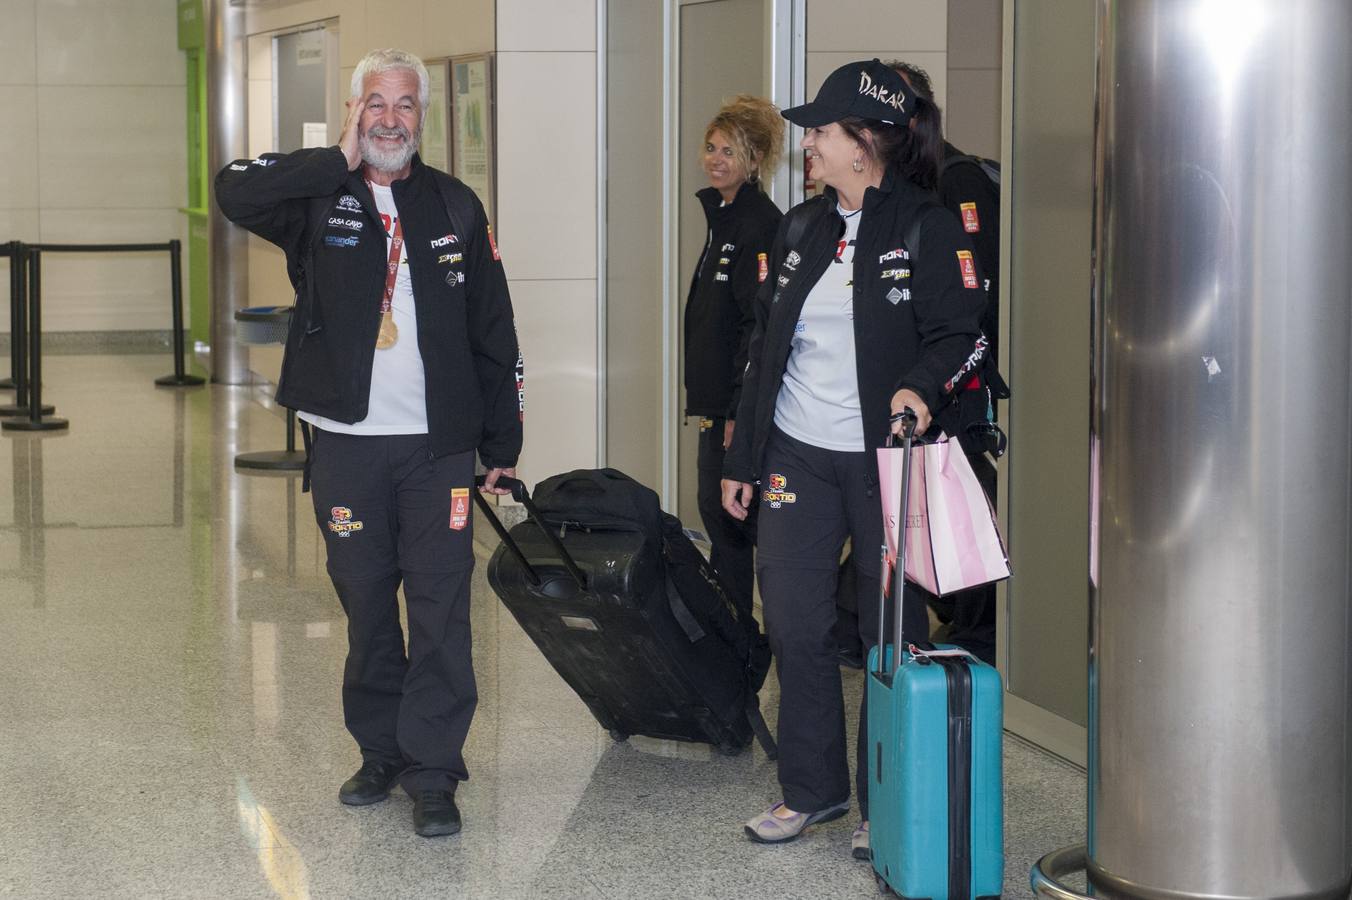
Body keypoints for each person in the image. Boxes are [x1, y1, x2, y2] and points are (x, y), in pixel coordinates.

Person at [215, 48, 523, 838]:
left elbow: (495, 329)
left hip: (437, 449)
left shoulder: (456, 205)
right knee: (365, 604)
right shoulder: (321, 196)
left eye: (406, 105)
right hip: (348, 443)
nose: (392, 119)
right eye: (376, 105)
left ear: (425, 117)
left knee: (441, 607)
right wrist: (336, 156)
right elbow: (233, 189)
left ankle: (433, 770)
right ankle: (380, 750)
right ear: (356, 112)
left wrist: (502, 443)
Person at [721, 60, 985, 857]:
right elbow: (764, 349)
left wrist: (918, 389)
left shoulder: (926, 228)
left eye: (823, 132)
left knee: (884, 637)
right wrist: (742, 453)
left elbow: (964, 333)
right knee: (796, 626)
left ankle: (883, 797)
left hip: (885, 460)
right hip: (797, 454)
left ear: (865, 143)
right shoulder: (801, 228)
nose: (809, 143)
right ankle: (812, 789)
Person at [684, 95, 784, 615]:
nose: (716, 159)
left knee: (731, 521)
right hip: (715, 401)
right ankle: (731, 632)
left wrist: (736, 414)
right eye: (711, 147)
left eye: (730, 151)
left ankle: (739, 635)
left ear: (756, 161)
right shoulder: (724, 217)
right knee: (716, 513)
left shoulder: (758, 225)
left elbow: (756, 328)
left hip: (732, 407)